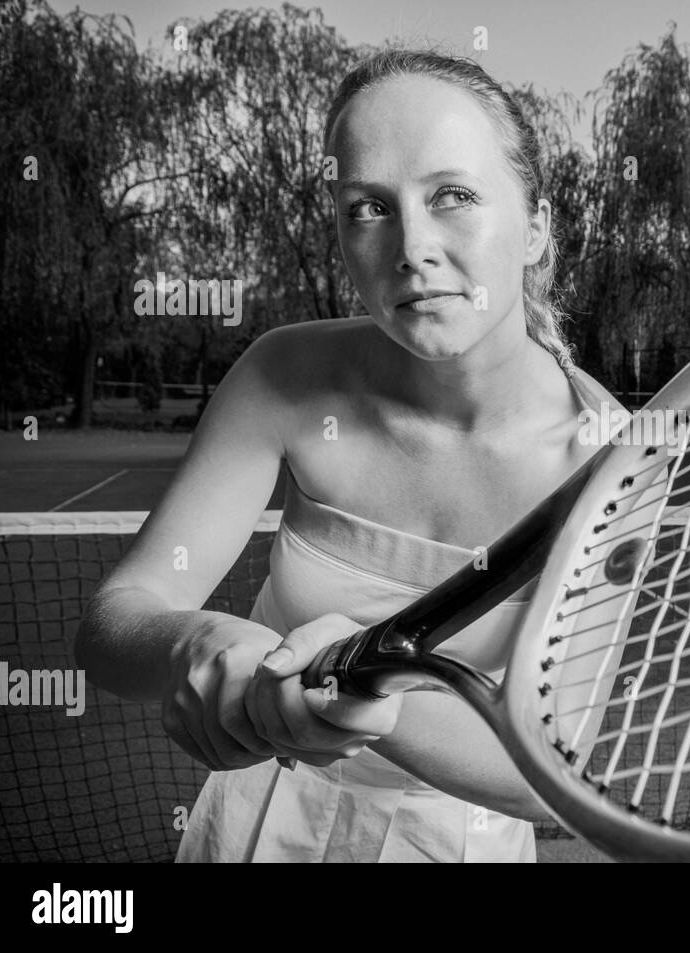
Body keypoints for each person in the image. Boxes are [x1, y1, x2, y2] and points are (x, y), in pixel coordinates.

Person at [76, 49, 619, 862]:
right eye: (368, 207)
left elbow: (551, 770)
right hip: (248, 826)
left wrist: (357, 688)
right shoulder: (280, 374)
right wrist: (193, 642)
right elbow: (114, 622)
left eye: (455, 196)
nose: (411, 247)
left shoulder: (609, 459)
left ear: (537, 227)